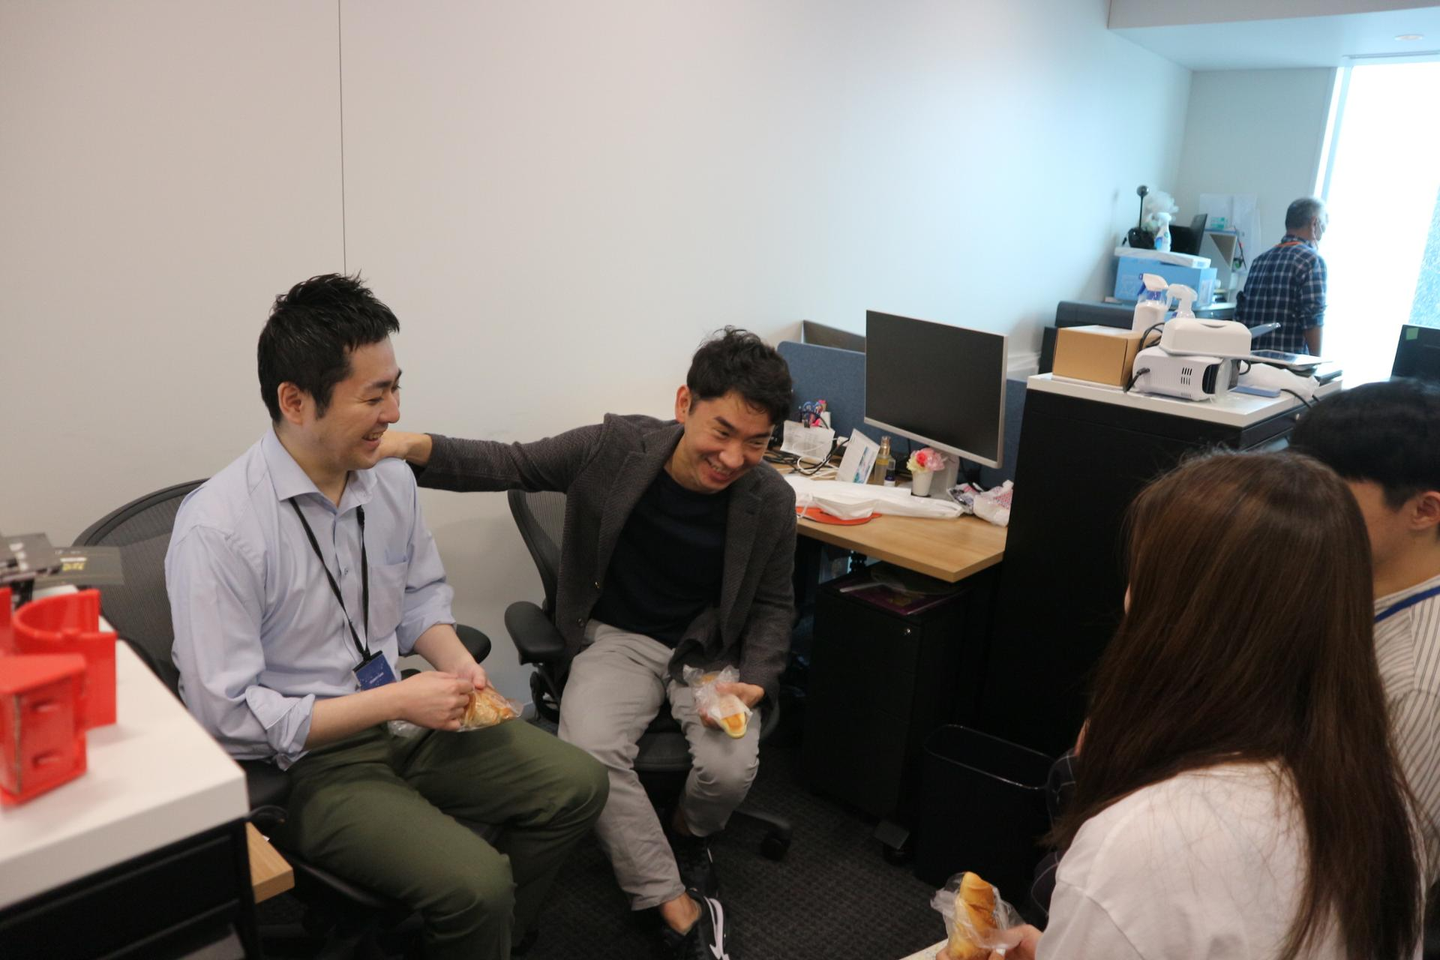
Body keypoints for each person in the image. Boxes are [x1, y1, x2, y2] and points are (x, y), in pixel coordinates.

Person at [165, 274, 608, 960]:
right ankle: (476, 927)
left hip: (402, 717)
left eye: (396, 389)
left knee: (580, 785)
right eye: (373, 397)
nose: (394, 413)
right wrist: (400, 698)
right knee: (478, 884)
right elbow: (227, 715)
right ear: (295, 401)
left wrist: (454, 662)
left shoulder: (390, 478)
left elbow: (419, 599)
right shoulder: (220, 529)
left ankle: (485, 940)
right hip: (308, 763)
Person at [378, 327, 796, 960]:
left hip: (708, 653)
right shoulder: (614, 448)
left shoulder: (771, 500)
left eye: (756, 442)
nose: (734, 458)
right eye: (723, 431)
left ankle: (687, 833)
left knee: (729, 771)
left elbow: (772, 605)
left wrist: (756, 680)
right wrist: (408, 445)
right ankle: (669, 899)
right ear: (684, 403)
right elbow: (509, 463)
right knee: (589, 753)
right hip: (618, 639)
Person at [991, 452, 1421, 960]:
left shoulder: (1141, 847)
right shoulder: (1380, 797)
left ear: (1188, 621)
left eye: (1145, 581)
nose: (1128, 599)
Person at [1291, 377, 1440, 882]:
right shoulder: (1354, 572)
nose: (1303, 506)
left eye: (1331, 492)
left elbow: (1381, 869)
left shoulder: (1418, 685)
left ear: (1423, 511)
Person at [1237, 196, 1329, 356]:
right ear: (1315, 223)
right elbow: (1312, 319)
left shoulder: (1259, 261)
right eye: (1325, 223)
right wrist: (1316, 363)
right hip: (1288, 365)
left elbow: (1242, 316)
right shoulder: (1312, 261)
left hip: (1250, 363)